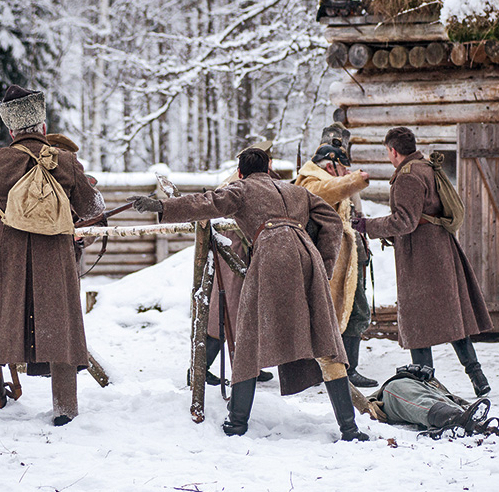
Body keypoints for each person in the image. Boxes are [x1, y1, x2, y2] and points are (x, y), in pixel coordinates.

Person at [133, 148, 368, 442]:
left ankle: (237, 423)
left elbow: (206, 203)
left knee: (248, 338)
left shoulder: (241, 189)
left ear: (241, 172)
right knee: (324, 338)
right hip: (308, 258)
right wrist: (324, 262)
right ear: (268, 170)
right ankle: (350, 428)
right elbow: (331, 221)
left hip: (270, 255)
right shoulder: (294, 190)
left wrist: (161, 207)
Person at [0, 85, 104, 425]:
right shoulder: (67, 160)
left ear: (11, 130)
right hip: (57, 255)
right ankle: (65, 408)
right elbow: (93, 208)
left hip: (7, 254)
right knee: (61, 322)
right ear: (43, 128)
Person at [356, 127, 493, 396]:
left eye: (388, 152)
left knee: (417, 320)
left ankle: (425, 386)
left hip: (421, 255)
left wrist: (366, 225)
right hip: (439, 248)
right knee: (452, 316)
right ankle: (477, 375)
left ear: (393, 151)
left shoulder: (408, 175)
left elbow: (403, 222)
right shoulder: (426, 166)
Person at [295, 122, 377, 388]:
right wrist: (355, 179)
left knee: (355, 311)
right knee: (328, 314)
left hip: (344, 256)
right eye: (343, 168)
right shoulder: (311, 180)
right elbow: (330, 191)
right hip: (324, 258)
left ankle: (347, 367)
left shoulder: (328, 178)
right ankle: (334, 369)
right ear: (330, 165)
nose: (347, 172)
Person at [199, 140, 275, 388]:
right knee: (224, 315)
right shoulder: (236, 186)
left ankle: (250, 366)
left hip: (246, 254)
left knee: (245, 315)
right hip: (233, 253)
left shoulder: (259, 182)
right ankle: (198, 370)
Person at [356, 364, 499, 439]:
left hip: (425, 387)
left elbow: (448, 396)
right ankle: (455, 418)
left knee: (435, 396)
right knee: (397, 387)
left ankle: (469, 421)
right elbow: (362, 407)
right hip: (387, 397)